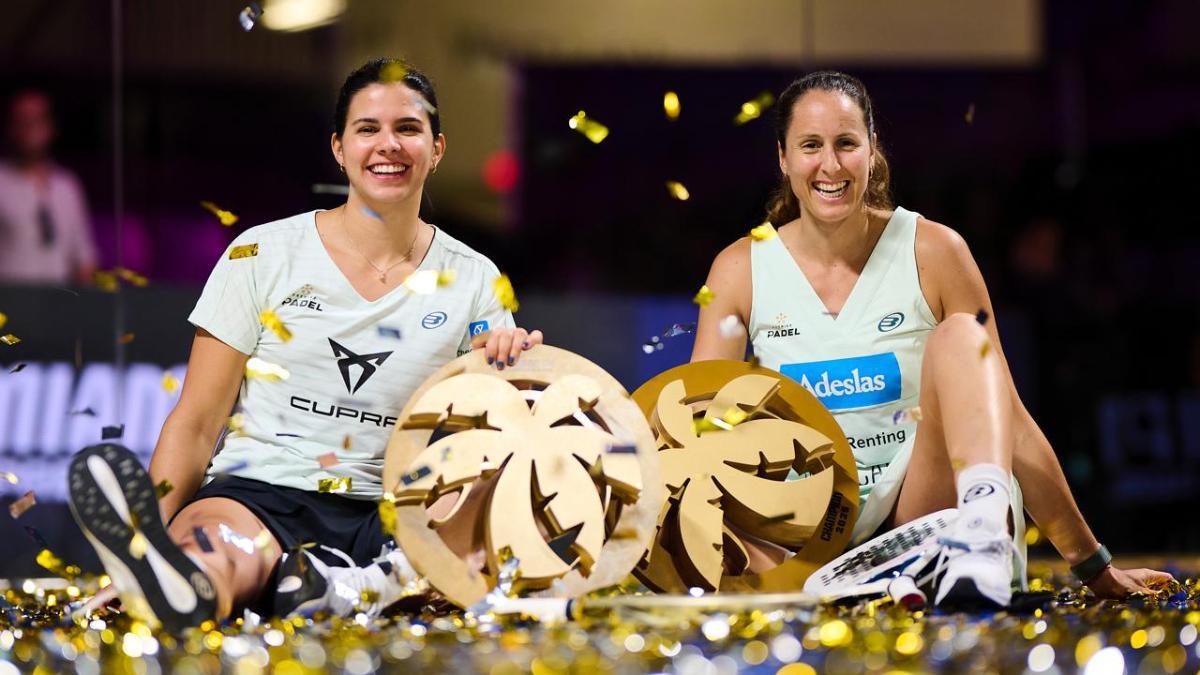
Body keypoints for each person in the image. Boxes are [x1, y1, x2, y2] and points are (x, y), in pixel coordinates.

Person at [67, 59, 543, 630]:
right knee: (218, 554)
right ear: (339, 148)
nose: (388, 145)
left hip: (399, 510)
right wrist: (149, 543)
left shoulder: (476, 278)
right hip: (261, 495)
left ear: (436, 149)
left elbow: (492, 433)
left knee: (478, 508)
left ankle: (342, 584)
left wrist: (514, 369)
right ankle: (178, 577)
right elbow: (195, 422)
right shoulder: (261, 253)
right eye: (367, 129)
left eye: (408, 128)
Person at [690, 71, 1172, 609]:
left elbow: (1006, 418)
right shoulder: (739, 269)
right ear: (783, 158)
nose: (830, 164)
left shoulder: (936, 251)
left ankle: (978, 539)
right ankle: (858, 584)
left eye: (846, 143)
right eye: (810, 146)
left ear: (872, 149)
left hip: (927, 511)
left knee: (963, 335)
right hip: (809, 537)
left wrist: (1093, 565)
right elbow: (698, 439)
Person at [0, 89, 98, 285]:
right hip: (8, 298)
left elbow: (83, 256)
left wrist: (91, 296)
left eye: (38, 119)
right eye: (23, 120)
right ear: (10, 127)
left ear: (51, 127)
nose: (30, 128)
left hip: (58, 298)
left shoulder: (67, 186)